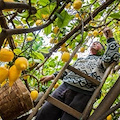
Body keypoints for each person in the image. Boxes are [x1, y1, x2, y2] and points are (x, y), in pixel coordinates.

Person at [35, 27, 119, 120]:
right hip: (65, 86)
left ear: (103, 51)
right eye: (93, 42)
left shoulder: (102, 60)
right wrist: (51, 76)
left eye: (98, 44)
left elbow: (112, 56)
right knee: (44, 113)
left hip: (84, 93)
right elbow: (67, 71)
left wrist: (110, 38)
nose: (95, 43)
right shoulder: (81, 59)